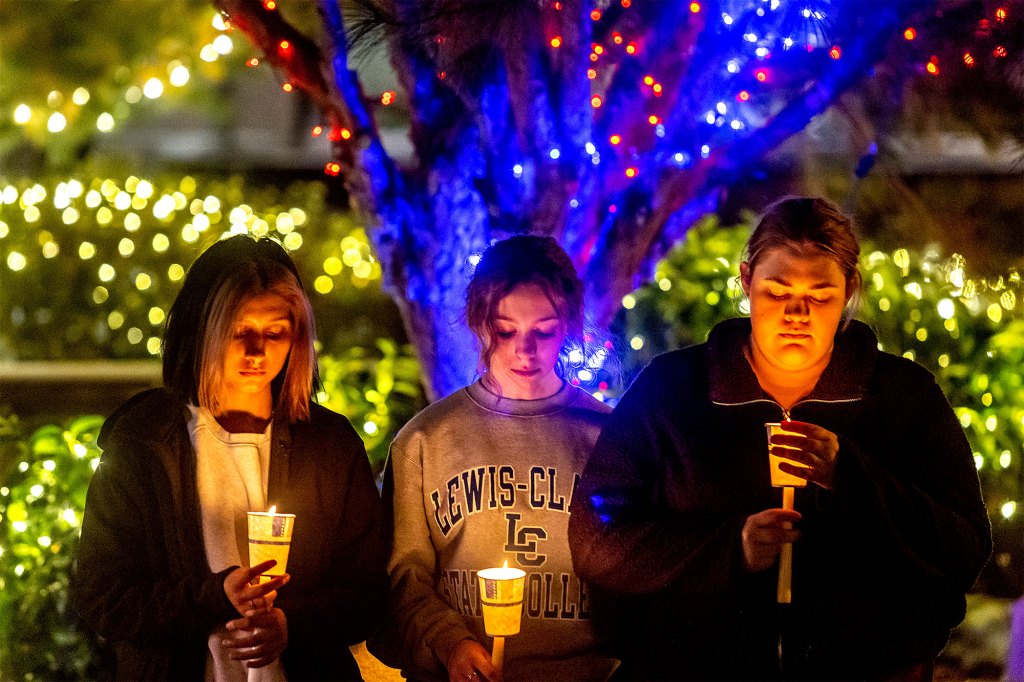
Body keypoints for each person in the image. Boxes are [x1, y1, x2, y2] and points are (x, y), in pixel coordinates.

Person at [568, 197, 992, 681]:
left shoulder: (902, 397)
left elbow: (964, 548)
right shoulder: (675, 390)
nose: (797, 313)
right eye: (777, 291)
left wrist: (851, 477)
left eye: (820, 296)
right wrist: (731, 549)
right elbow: (595, 538)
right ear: (747, 281)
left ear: (850, 289)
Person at [75, 235, 388, 681]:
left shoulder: (329, 446)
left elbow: (368, 591)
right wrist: (213, 595)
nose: (257, 353)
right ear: (202, 331)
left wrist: (290, 622)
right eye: (240, 332)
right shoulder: (144, 442)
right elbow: (101, 596)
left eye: (275, 333)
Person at [368, 235, 618, 681]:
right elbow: (402, 579)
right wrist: (451, 643)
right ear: (480, 323)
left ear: (569, 324)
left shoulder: (610, 437)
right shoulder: (425, 441)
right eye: (506, 330)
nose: (526, 350)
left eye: (544, 330)